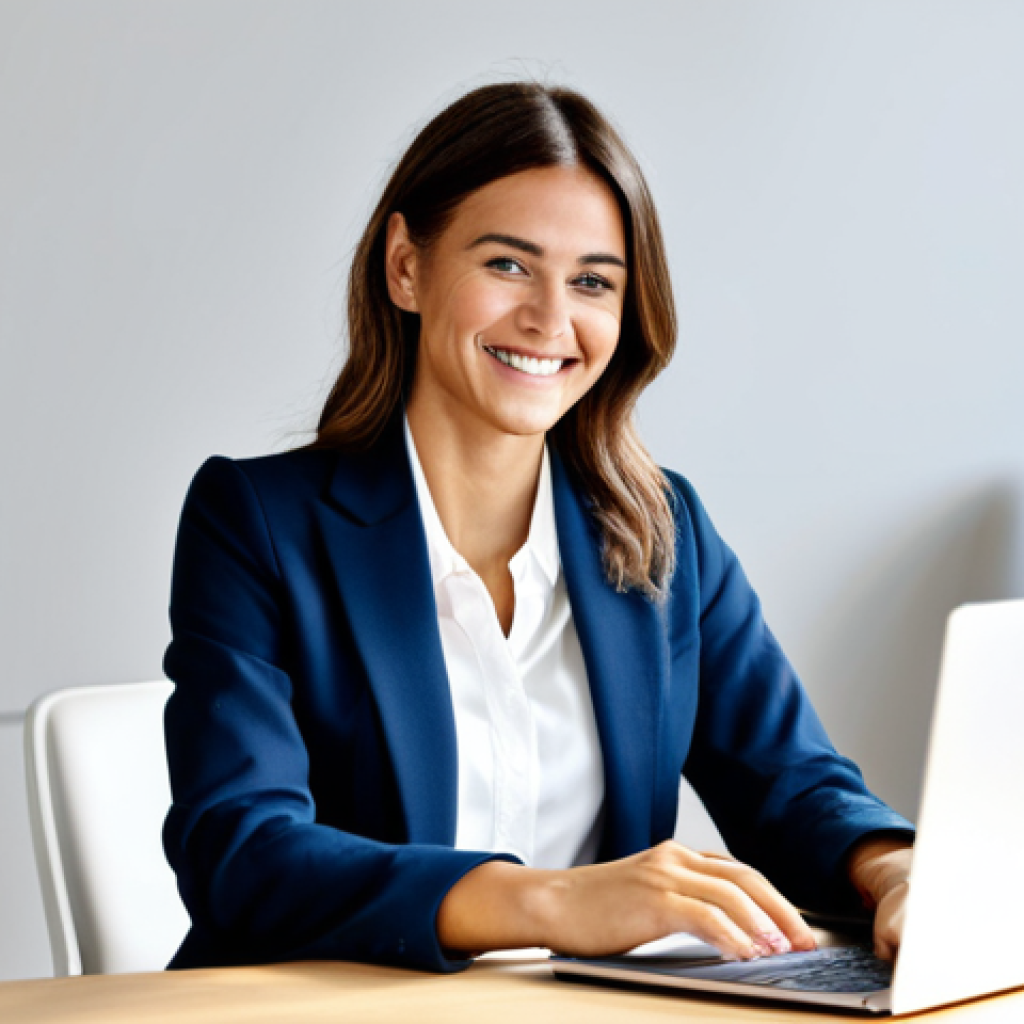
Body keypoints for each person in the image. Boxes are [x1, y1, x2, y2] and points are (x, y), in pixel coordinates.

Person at [161, 81, 914, 974]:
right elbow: (242, 851)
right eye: (508, 265)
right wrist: (556, 900)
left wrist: (896, 871)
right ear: (406, 266)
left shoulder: (663, 531)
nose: (550, 320)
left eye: (593, 282)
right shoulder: (257, 522)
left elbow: (792, 784)